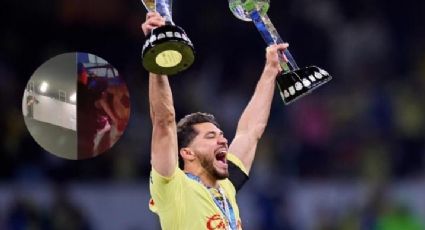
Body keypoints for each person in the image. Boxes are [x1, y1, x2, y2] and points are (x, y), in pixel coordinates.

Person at [143, 12, 289, 230]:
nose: (223, 141)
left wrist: (270, 72)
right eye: (211, 136)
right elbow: (164, 122)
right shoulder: (173, 188)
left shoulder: (225, 188)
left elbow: (250, 131)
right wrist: (157, 55)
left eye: (221, 135)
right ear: (187, 152)